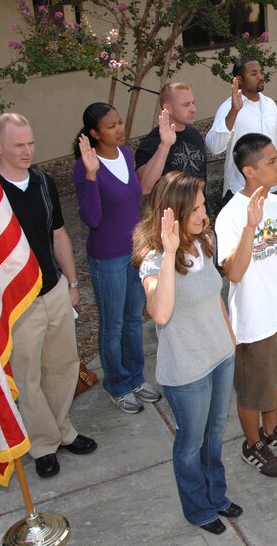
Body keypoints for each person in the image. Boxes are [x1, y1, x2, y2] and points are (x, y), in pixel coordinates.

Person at [133, 172, 242, 535]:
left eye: (203, 205)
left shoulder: (203, 242)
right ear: (173, 213)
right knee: (191, 443)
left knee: (214, 434)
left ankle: (217, 494)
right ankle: (198, 508)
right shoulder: (153, 261)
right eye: (195, 208)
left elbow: (216, 297)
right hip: (187, 372)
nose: (203, 214)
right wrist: (167, 252)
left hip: (220, 357)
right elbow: (160, 313)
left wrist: (230, 340)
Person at [0, 113, 97, 478]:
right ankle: (42, 444)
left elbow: (59, 234)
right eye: (19, 145)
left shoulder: (42, 182)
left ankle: (63, 430)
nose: (27, 151)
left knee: (64, 366)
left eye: (31, 143)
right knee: (28, 376)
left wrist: (71, 283)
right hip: (17, 303)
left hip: (53, 290)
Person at [215, 133, 277, 477]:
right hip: (253, 320)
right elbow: (234, 273)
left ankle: (271, 432)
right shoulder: (230, 216)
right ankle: (252, 443)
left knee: (276, 380)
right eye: (271, 161)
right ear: (249, 170)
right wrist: (250, 227)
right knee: (253, 389)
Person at [73, 103, 161, 415]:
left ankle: (136, 377)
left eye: (120, 122)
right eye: (110, 126)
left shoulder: (125, 154)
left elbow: (135, 197)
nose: (119, 129)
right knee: (112, 326)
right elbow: (92, 219)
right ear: (94, 133)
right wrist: (92, 176)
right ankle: (117, 384)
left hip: (134, 251)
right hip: (107, 257)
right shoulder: (86, 165)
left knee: (133, 320)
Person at [206, 58, 277, 203]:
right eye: (254, 74)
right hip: (240, 191)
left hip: (271, 190)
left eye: (261, 72)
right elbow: (215, 147)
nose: (260, 76)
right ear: (239, 79)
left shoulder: (270, 105)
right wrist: (234, 111)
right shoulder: (228, 107)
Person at [135, 82, 208, 194]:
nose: (193, 109)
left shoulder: (195, 135)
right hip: (169, 210)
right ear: (167, 108)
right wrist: (164, 146)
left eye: (193, 103)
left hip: (198, 208)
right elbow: (144, 187)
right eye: (185, 104)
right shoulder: (152, 142)